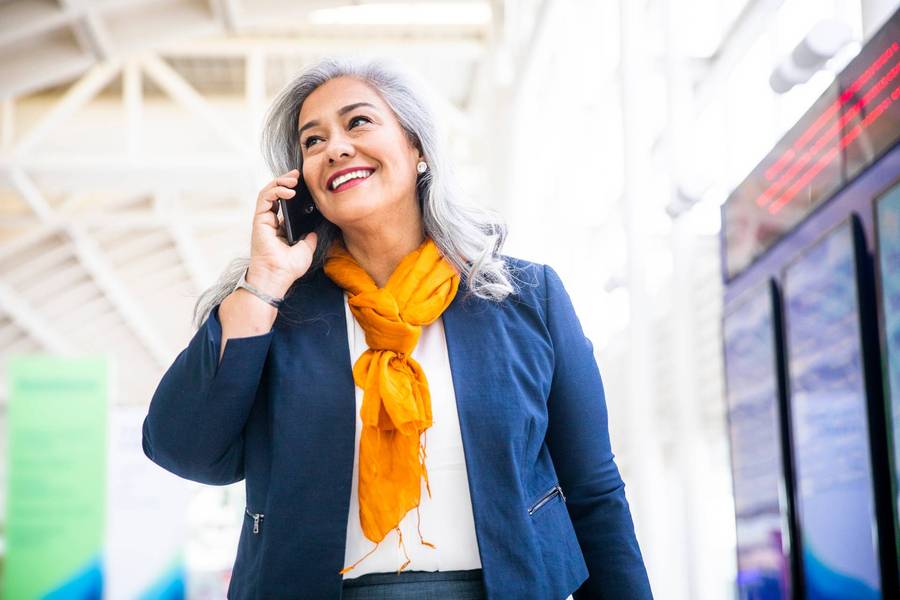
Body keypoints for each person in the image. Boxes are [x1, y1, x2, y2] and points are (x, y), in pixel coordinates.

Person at [142, 56, 652, 600]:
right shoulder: (278, 310)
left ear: (418, 149)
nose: (335, 147)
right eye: (312, 142)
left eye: (358, 122)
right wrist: (263, 283)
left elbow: (593, 491)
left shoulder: (525, 298)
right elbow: (186, 450)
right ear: (304, 184)